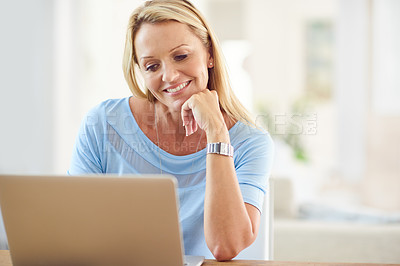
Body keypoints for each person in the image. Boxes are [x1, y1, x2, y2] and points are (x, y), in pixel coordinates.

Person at [68, 0, 273, 261]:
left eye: (181, 56)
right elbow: (74, 228)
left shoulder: (251, 142)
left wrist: (217, 133)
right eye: (152, 66)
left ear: (209, 54)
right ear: (140, 71)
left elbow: (226, 245)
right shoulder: (102, 125)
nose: (170, 76)